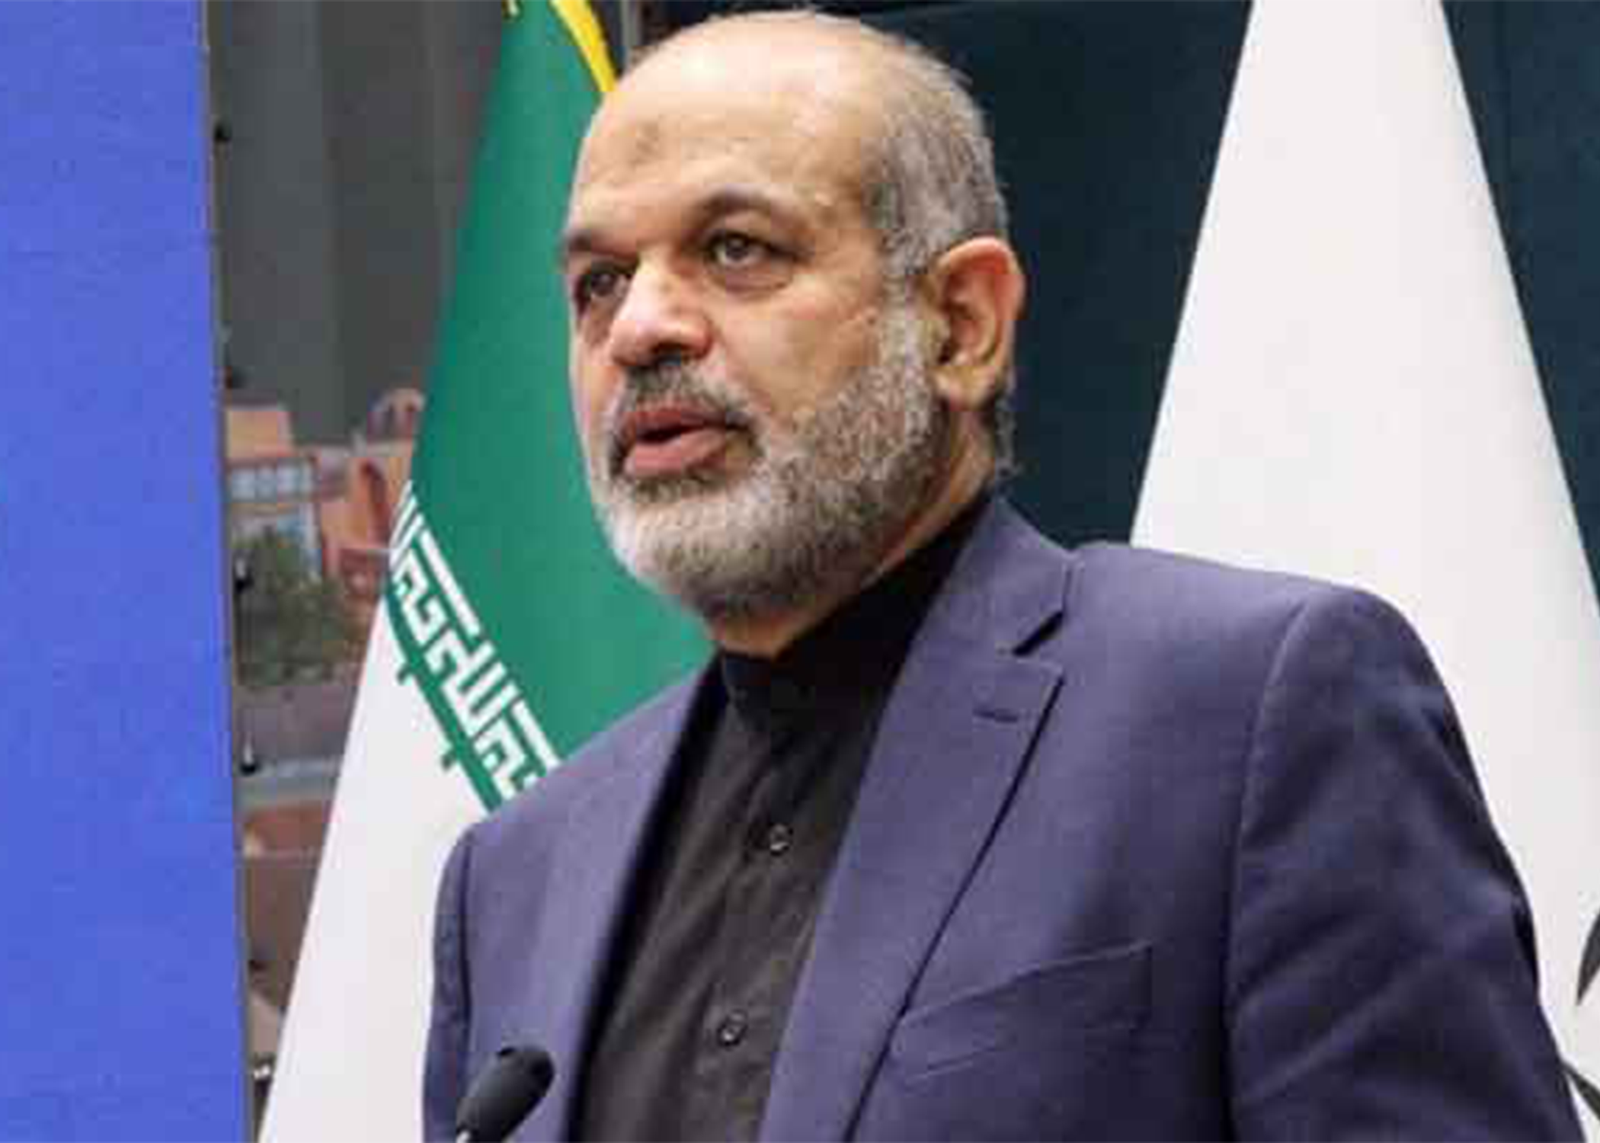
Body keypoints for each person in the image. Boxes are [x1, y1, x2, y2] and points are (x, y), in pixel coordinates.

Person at [424, 11, 1580, 1140]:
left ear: (961, 324)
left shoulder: (1248, 718)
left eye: (736, 249)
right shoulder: (515, 876)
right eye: (598, 282)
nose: (640, 328)